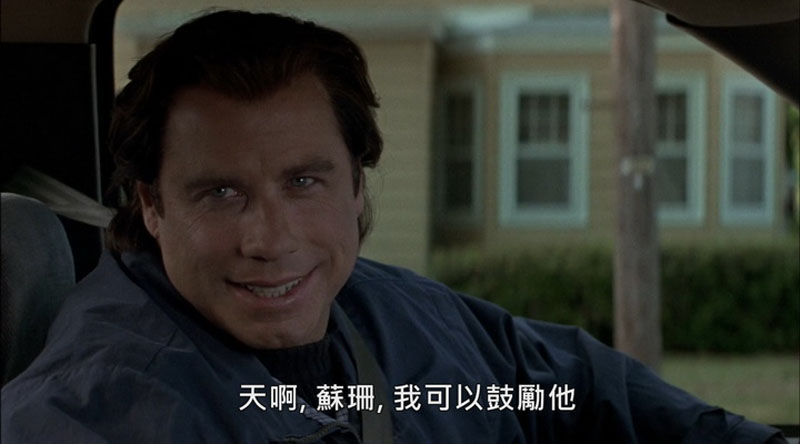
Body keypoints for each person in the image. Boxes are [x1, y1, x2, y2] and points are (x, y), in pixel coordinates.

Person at [0, 10, 787, 444]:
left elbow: (571, 393)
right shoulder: (86, 416)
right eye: (221, 193)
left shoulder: (398, 317)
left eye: (303, 182)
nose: (270, 239)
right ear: (152, 205)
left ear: (356, 184)